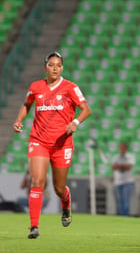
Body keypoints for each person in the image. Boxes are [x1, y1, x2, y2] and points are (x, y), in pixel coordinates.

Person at [13, 52, 92, 239]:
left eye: (58, 65)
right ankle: (34, 226)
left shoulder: (70, 88)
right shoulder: (36, 87)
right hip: (38, 141)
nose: (55, 68)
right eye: (51, 65)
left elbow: (86, 110)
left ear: (62, 68)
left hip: (62, 144)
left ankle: (66, 202)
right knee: (37, 181)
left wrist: (75, 123)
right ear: (45, 68)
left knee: (58, 188)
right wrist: (18, 120)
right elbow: (27, 104)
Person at [112, 142, 136, 216]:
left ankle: (125, 216)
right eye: (120, 148)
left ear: (126, 149)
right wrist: (123, 165)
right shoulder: (116, 157)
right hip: (118, 182)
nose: (121, 150)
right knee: (119, 201)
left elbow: (128, 167)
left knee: (126, 201)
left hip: (127, 182)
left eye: (123, 148)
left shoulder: (130, 156)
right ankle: (121, 216)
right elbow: (113, 167)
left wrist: (119, 165)